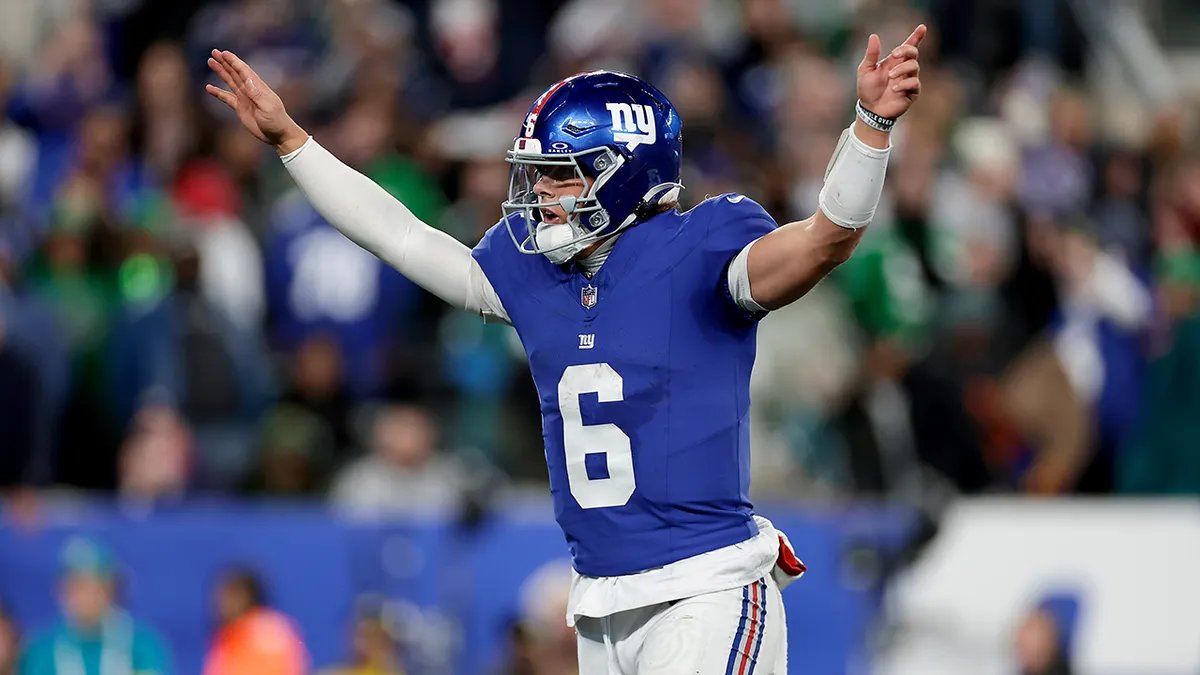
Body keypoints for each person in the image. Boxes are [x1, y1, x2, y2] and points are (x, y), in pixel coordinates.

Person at [206, 22, 925, 671]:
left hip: (706, 589)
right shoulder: (536, 274)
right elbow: (402, 236)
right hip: (599, 608)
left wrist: (868, 126)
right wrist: (293, 144)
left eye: (560, 173)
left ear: (627, 172)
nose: (541, 193)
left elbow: (828, 236)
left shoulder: (703, 248)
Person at [18, 537, 172, 675]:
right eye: (77, 586)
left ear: (113, 590)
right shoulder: (41, 649)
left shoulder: (141, 641)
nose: (88, 597)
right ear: (60, 591)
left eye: (98, 586)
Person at [203, 566, 308, 675]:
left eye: (231, 595)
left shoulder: (267, 629)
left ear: (247, 596)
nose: (222, 603)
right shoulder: (225, 637)